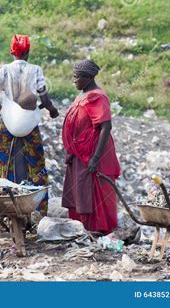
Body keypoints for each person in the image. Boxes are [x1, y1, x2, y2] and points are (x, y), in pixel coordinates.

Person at [0, 35, 59, 214]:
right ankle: (39, 208)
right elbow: (45, 99)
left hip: (9, 124)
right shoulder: (36, 70)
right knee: (36, 164)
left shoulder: (4, 70)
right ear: (28, 51)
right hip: (29, 125)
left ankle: (5, 203)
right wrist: (52, 110)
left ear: (12, 52)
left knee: (4, 162)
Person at [62, 60, 121, 234]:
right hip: (79, 151)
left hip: (94, 151)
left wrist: (95, 157)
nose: (74, 80)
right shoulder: (81, 95)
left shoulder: (98, 97)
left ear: (87, 78)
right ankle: (81, 227)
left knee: (94, 189)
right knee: (79, 189)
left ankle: (98, 228)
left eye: (77, 77)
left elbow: (106, 126)